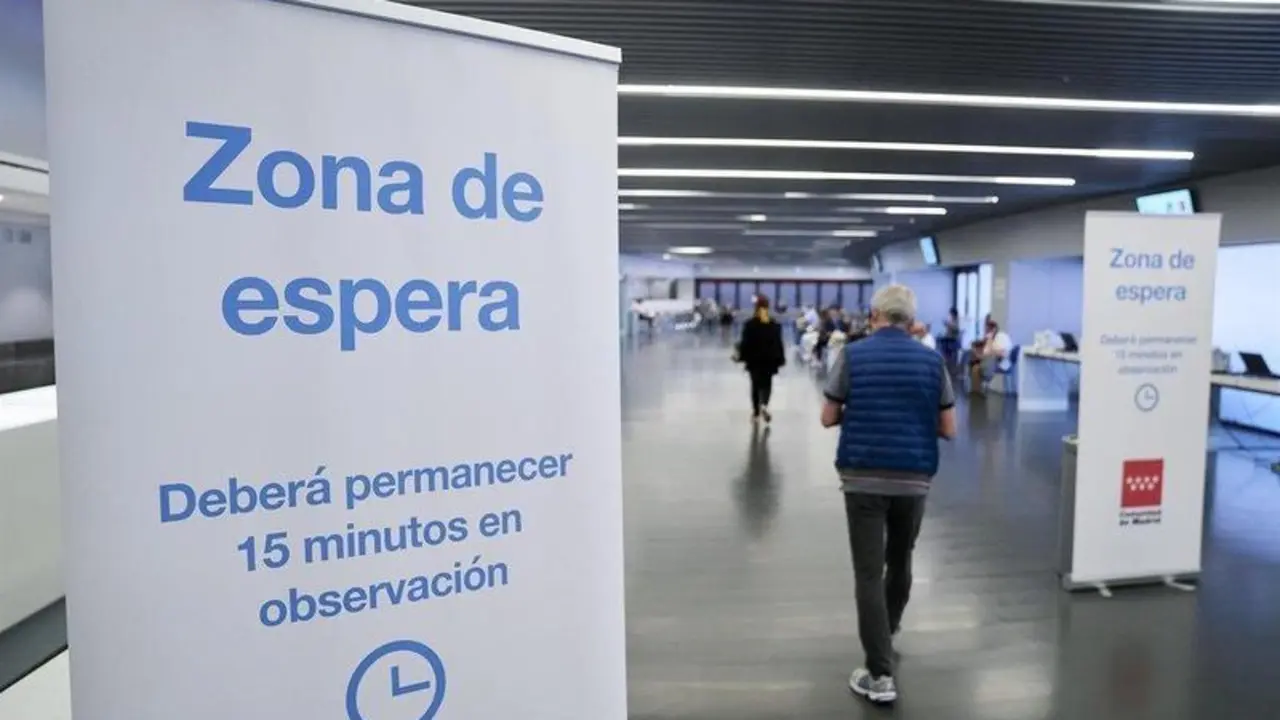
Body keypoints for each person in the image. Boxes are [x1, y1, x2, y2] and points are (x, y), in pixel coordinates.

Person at [820, 284, 957, 705]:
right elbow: (949, 428)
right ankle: (888, 629)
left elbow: (828, 417)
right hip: (912, 479)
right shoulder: (933, 362)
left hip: (862, 478)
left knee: (867, 572)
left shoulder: (853, 354)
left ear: (876, 313)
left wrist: (857, 409)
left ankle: (879, 674)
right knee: (901, 560)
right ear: (910, 318)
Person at [737, 295, 786, 424]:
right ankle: (764, 404)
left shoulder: (750, 324)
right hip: (769, 360)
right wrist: (780, 359)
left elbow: (745, 343)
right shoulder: (773, 324)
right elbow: (778, 343)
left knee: (755, 385)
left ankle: (756, 412)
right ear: (768, 307)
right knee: (767, 384)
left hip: (754, 361)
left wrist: (742, 356)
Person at [968, 318, 1013, 392]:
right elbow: (986, 353)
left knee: (977, 368)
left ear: (994, 329)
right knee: (975, 368)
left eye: (988, 330)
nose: (987, 332)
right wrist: (988, 342)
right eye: (986, 330)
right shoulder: (990, 339)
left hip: (1002, 363)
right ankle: (976, 391)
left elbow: (1002, 353)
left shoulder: (1001, 336)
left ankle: (978, 389)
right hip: (991, 361)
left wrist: (990, 347)